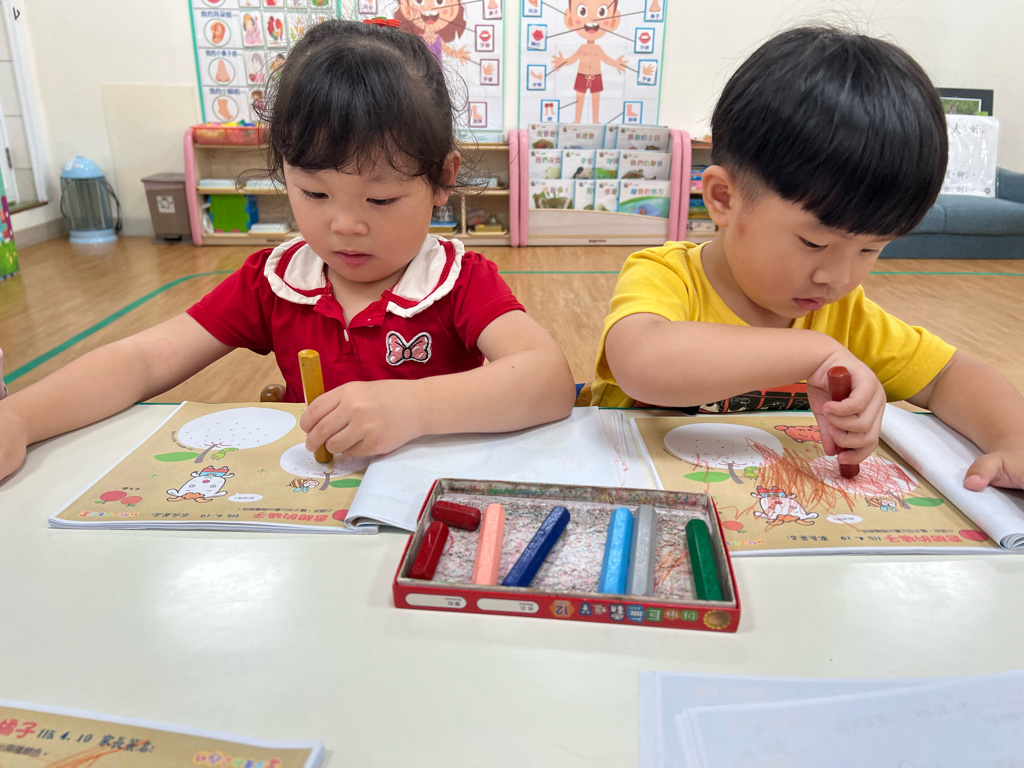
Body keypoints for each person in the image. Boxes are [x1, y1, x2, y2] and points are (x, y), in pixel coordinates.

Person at [0, 19, 576, 482]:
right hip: (308, 513)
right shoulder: (273, 281)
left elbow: (548, 381)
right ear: (283, 172)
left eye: (381, 199)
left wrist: (415, 408)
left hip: (424, 507)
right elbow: (145, 358)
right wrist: (19, 419)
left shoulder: (458, 279)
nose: (344, 225)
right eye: (315, 193)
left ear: (443, 179)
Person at [592, 26, 1024, 492]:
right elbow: (643, 364)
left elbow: (950, 376)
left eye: (870, 249)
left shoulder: (846, 317)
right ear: (723, 198)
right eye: (814, 244)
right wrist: (814, 353)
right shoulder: (668, 276)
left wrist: (1013, 440)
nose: (837, 278)